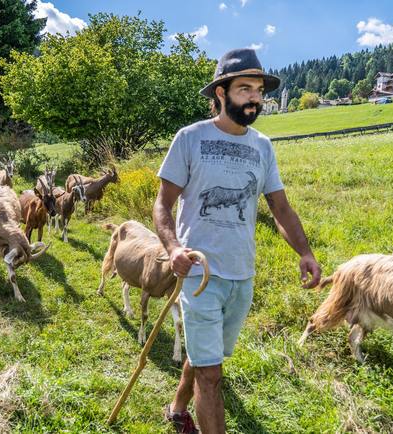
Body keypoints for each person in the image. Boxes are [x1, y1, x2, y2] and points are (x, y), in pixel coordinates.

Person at [153, 48, 322, 434]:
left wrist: (305, 252)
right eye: (244, 88)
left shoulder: (262, 146)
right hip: (200, 276)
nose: (254, 98)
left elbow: (280, 207)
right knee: (212, 376)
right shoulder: (190, 138)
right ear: (220, 93)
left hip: (241, 276)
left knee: (205, 355)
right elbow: (163, 204)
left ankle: (177, 408)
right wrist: (174, 248)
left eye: (259, 90)